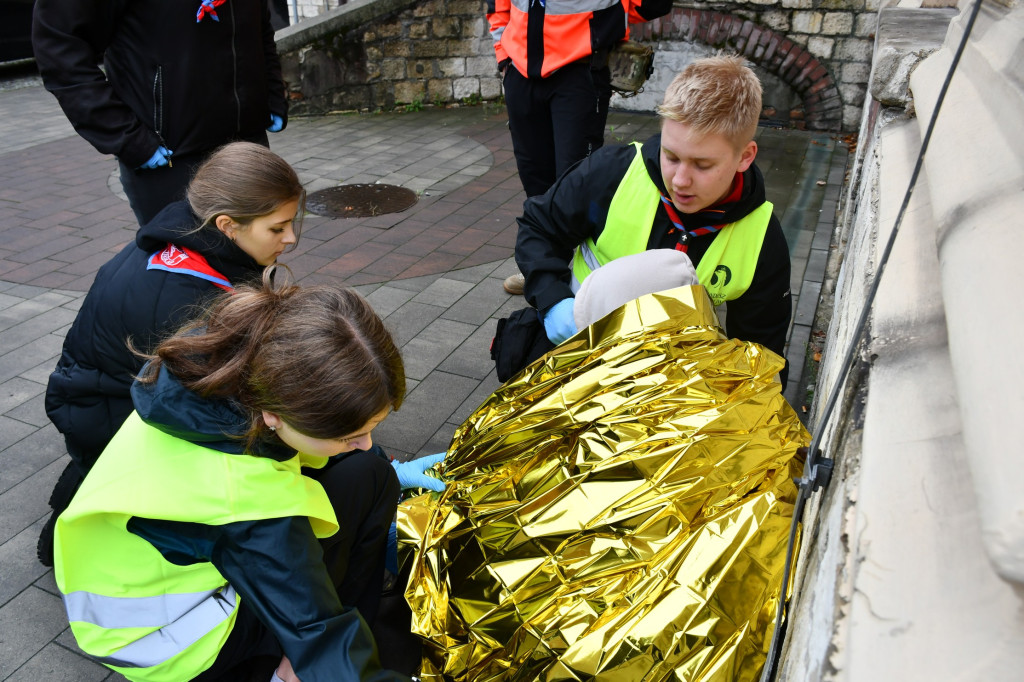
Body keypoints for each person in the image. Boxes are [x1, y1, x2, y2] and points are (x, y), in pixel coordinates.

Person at [53, 273, 443, 681]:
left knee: (372, 472)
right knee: (325, 627)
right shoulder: (247, 503)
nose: (366, 442)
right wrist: (324, 653)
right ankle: (284, 672)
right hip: (175, 642)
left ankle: (323, 644)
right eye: (348, 434)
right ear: (273, 416)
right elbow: (319, 633)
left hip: (145, 582)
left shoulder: (225, 368)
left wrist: (379, 463)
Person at [38, 142, 304, 567]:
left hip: (97, 395)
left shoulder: (187, 235)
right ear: (227, 224)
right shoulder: (193, 298)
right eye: (278, 228)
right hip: (108, 412)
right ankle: (91, 518)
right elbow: (202, 406)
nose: (290, 238)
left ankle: (89, 486)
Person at [512, 55, 793, 385]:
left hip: (667, 387)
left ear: (745, 157)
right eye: (671, 156)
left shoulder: (761, 238)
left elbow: (759, 358)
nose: (680, 181)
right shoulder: (612, 174)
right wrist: (552, 299)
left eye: (702, 165)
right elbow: (538, 226)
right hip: (577, 351)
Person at [31, 0, 289, 225]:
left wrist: (271, 93)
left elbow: (260, 23)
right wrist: (126, 136)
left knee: (255, 271)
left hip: (246, 143)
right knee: (186, 275)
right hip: (169, 155)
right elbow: (58, 41)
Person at [486, 0, 671, 294]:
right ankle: (543, 270)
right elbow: (499, 5)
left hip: (579, 71)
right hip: (521, 72)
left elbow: (647, 5)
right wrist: (504, 59)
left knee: (578, 183)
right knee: (535, 179)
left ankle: (590, 278)